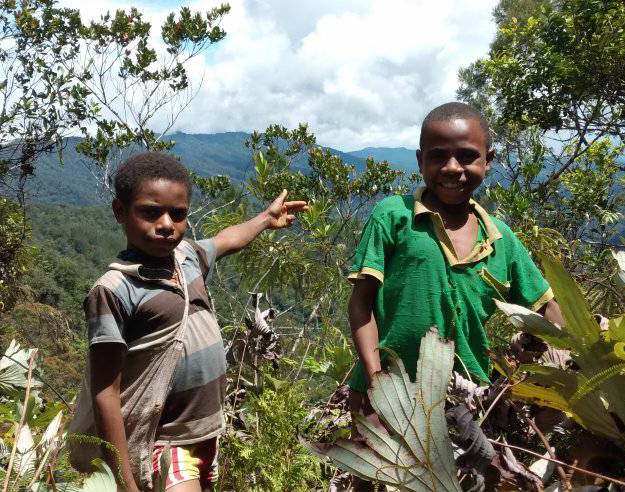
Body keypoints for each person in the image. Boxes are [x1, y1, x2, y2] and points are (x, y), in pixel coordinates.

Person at [67, 152, 306, 492]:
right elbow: (106, 392)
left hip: (205, 431)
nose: (166, 224)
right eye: (150, 212)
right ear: (120, 212)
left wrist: (266, 218)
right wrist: (123, 482)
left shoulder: (186, 257)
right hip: (163, 438)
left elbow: (226, 240)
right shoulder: (114, 291)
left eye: (177, 214)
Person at [346, 102, 566, 423]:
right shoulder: (394, 216)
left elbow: (547, 310)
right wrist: (378, 385)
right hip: (385, 397)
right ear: (421, 161)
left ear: (487, 160)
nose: (452, 167)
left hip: (466, 406)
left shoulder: (500, 240)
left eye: (466, 156)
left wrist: (578, 353)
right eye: (438, 157)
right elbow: (361, 305)